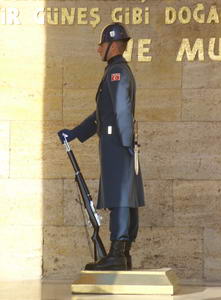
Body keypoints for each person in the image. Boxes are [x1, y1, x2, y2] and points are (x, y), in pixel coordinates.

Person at [58, 22, 145, 271]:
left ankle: (118, 253)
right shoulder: (113, 72)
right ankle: (122, 253)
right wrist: (75, 133)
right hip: (119, 142)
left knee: (119, 198)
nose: (98, 49)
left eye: (101, 44)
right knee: (123, 197)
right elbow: (101, 115)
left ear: (113, 45)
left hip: (118, 143)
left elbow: (120, 110)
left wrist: (126, 144)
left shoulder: (117, 73)